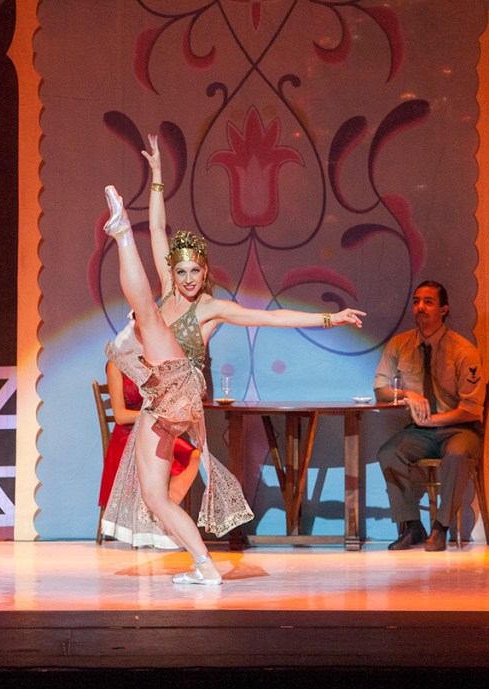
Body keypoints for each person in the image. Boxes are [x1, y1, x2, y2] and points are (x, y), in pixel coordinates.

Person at [100, 133, 367, 584]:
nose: (187, 278)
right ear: (174, 272)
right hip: (158, 400)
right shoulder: (168, 292)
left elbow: (272, 317)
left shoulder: (210, 308)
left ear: (205, 271)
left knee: (145, 315)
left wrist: (330, 318)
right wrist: (158, 176)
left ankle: (121, 233)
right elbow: (160, 230)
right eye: (180, 271)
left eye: (194, 271)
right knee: (154, 497)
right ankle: (205, 566)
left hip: (182, 387)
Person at [373, 281, 486, 552]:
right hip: (421, 432)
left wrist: (433, 420)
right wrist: (407, 395)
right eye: (416, 302)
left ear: (443, 310)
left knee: (457, 455)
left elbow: (471, 409)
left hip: (460, 429)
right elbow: (380, 389)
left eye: (428, 302)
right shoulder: (401, 344)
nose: (420, 307)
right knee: (389, 453)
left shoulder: (463, 351)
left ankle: (441, 527)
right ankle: (412, 526)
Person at [100, 360, 200, 511]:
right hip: (128, 435)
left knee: (192, 455)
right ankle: (162, 515)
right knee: (158, 454)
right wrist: (156, 416)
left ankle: (164, 515)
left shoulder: (154, 361)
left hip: (154, 431)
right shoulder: (116, 365)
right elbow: (120, 416)